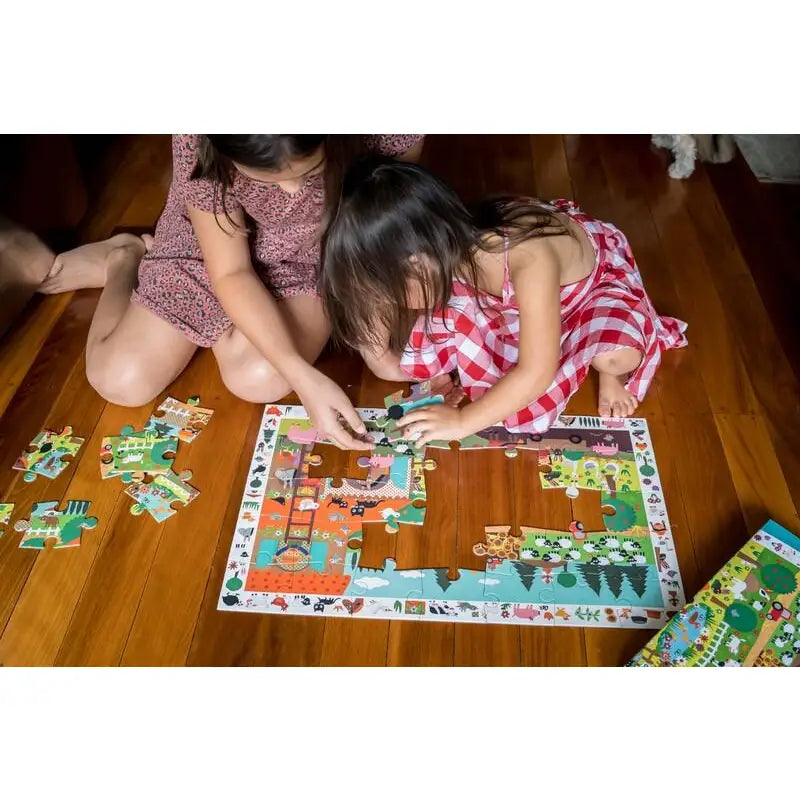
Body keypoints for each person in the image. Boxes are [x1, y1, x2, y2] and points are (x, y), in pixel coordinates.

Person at [39, 135, 424, 449]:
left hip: (317, 248)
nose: (290, 190)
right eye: (266, 179)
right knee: (120, 379)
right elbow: (231, 271)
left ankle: (223, 325)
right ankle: (123, 257)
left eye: (309, 170)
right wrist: (303, 377)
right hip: (213, 242)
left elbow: (381, 225)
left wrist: (375, 341)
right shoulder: (199, 139)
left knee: (258, 378)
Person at [320, 157, 687, 446]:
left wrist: (463, 422)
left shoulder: (530, 260)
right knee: (447, 326)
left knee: (612, 354)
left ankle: (611, 373)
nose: (401, 307)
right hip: (504, 288)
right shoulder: (448, 255)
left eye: (394, 295)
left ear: (418, 263)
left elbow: (536, 372)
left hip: (590, 293)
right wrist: (439, 376)